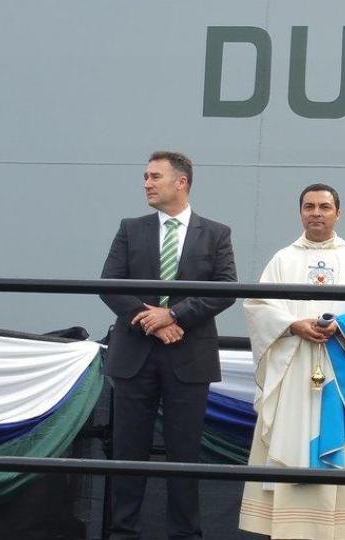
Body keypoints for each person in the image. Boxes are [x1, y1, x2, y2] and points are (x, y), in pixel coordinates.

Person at [100, 151, 237, 540]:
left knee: (185, 454)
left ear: (181, 182)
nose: (146, 183)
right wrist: (152, 321)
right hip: (134, 356)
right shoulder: (131, 228)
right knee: (127, 451)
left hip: (189, 358)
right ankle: (122, 532)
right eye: (145, 176)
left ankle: (184, 534)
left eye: (155, 176)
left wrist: (174, 315)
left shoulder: (216, 233)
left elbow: (226, 289)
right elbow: (109, 284)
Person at [238, 183, 345, 540]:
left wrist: (340, 326)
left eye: (324, 206)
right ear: (300, 212)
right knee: (286, 444)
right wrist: (293, 325)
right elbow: (257, 307)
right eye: (309, 207)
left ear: (338, 212)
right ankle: (285, 527)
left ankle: (327, 528)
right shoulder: (282, 259)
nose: (316, 213)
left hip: (336, 372)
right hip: (291, 369)